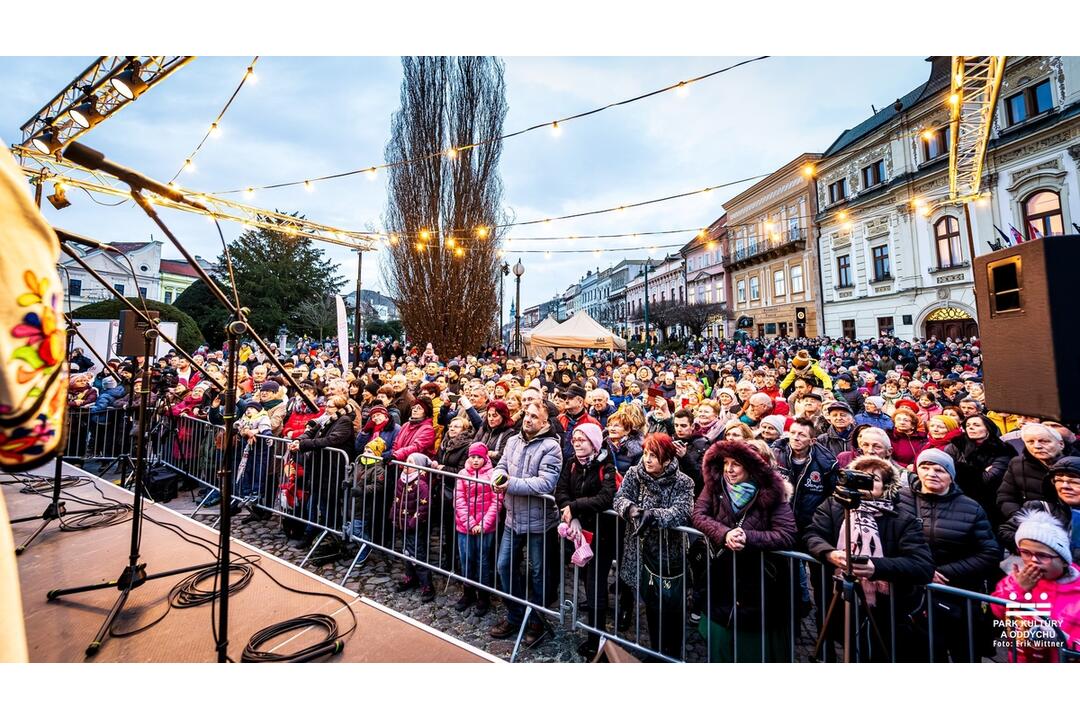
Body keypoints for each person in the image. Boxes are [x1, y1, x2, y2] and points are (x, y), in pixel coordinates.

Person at [803, 455, 935, 661]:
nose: (865, 483)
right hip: (840, 597)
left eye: (873, 479)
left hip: (886, 608)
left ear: (886, 486)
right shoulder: (834, 506)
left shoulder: (901, 518)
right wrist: (829, 553)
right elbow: (812, 535)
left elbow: (922, 565)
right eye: (860, 477)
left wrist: (877, 567)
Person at [692, 440, 798, 661]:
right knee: (720, 638)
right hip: (721, 574)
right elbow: (699, 514)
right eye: (726, 463)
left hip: (758, 579)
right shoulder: (715, 485)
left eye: (736, 464)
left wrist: (748, 537)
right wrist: (724, 533)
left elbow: (787, 533)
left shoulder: (772, 491)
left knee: (753, 647)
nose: (729, 469)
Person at [899, 448, 1002, 662]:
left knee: (962, 653)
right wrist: (919, 570)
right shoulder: (900, 499)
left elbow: (990, 552)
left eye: (939, 470)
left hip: (956, 595)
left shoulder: (970, 507)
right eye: (925, 468)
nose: (931, 474)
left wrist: (944, 573)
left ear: (950, 476)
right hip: (912, 593)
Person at [612, 433, 695, 659]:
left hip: (668, 553)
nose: (648, 460)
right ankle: (657, 650)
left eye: (654, 456)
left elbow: (682, 510)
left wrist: (654, 516)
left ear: (667, 459)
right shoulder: (634, 474)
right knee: (651, 603)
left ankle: (672, 652)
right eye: (647, 454)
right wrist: (630, 510)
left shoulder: (683, 482)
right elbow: (619, 498)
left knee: (671, 606)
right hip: (638, 549)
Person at [490, 401, 563, 647]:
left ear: (544, 422)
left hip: (539, 523)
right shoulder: (513, 441)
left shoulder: (551, 447)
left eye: (534, 416)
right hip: (513, 518)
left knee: (538, 574)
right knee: (504, 566)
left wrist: (509, 484)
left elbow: (545, 483)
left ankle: (537, 622)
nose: (528, 419)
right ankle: (515, 614)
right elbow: (502, 465)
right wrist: (496, 477)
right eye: (527, 414)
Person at [554, 423, 617, 658]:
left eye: (582, 440)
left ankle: (597, 640)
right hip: (580, 533)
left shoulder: (606, 465)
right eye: (575, 439)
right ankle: (594, 633)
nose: (577, 443)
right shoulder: (571, 463)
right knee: (587, 584)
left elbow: (605, 498)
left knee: (595, 586)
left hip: (603, 535)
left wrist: (574, 508)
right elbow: (560, 491)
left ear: (594, 443)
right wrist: (570, 512)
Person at [991, 509, 1080, 662]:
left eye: (1043, 555)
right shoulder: (1018, 578)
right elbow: (997, 611)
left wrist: (1061, 638)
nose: (1033, 560)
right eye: (1025, 552)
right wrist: (1017, 588)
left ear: (1064, 560)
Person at [1000, 457, 1080, 563]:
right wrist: (1039, 544)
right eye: (1059, 480)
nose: (1065, 486)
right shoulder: (1039, 508)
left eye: (1074, 482)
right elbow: (1005, 532)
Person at [454, 442, 501, 616]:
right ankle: (468, 592)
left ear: (485, 458)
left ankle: (483, 595)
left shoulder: (492, 475)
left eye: (479, 457)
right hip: (465, 525)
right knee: (466, 558)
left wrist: (483, 524)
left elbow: (497, 502)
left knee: (483, 560)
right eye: (472, 457)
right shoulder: (462, 474)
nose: (475, 460)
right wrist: (470, 523)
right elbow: (459, 500)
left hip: (485, 526)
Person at [944, 414, 1016, 525]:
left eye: (976, 425)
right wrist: (977, 471)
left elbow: (989, 479)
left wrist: (959, 469)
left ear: (988, 428)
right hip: (956, 498)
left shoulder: (1002, 449)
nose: (970, 427)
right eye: (968, 425)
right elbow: (945, 473)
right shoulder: (956, 445)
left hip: (989, 502)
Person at [773, 418, 838, 539]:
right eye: (792, 433)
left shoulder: (827, 464)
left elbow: (830, 498)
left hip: (809, 526)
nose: (795, 437)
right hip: (777, 521)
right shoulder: (775, 455)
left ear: (812, 441)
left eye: (802, 435)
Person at [998, 424, 1068, 523]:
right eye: (1030, 442)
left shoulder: (1074, 464)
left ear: (1061, 444)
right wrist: (1023, 520)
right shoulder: (1016, 464)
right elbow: (1006, 497)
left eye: (1044, 441)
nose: (1037, 446)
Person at [392, 453, 436, 602]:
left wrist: (413, 522)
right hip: (402, 523)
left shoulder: (421, 484)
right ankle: (410, 577)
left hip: (413, 525)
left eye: (411, 462)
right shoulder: (401, 479)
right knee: (406, 552)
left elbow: (424, 506)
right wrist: (394, 515)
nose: (406, 464)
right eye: (406, 461)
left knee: (417, 554)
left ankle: (427, 585)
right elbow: (396, 499)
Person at [672, 408, 708, 497]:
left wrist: (685, 457)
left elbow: (700, 477)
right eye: (676, 425)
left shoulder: (704, 444)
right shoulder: (671, 440)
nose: (679, 429)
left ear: (692, 426)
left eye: (683, 426)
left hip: (692, 493)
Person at [473, 399, 515, 466]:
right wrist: (492, 454)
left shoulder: (509, 433)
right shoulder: (484, 428)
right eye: (489, 415)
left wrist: (481, 454)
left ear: (503, 416)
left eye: (494, 416)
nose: (491, 419)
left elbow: (502, 456)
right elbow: (472, 447)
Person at [607, 411, 643, 476]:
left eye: (616, 426)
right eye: (610, 425)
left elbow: (637, 475)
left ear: (627, 430)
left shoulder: (636, 450)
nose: (612, 429)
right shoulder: (603, 445)